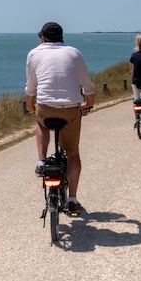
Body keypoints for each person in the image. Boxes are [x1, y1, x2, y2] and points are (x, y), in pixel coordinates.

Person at [25, 22, 96, 216]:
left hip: (46, 109)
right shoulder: (74, 52)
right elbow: (88, 84)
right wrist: (88, 102)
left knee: (41, 123)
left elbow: (31, 87)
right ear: (62, 38)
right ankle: (72, 200)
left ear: (42, 37)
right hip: (71, 109)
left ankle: (41, 161)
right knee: (72, 153)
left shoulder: (34, 53)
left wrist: (31, 106)